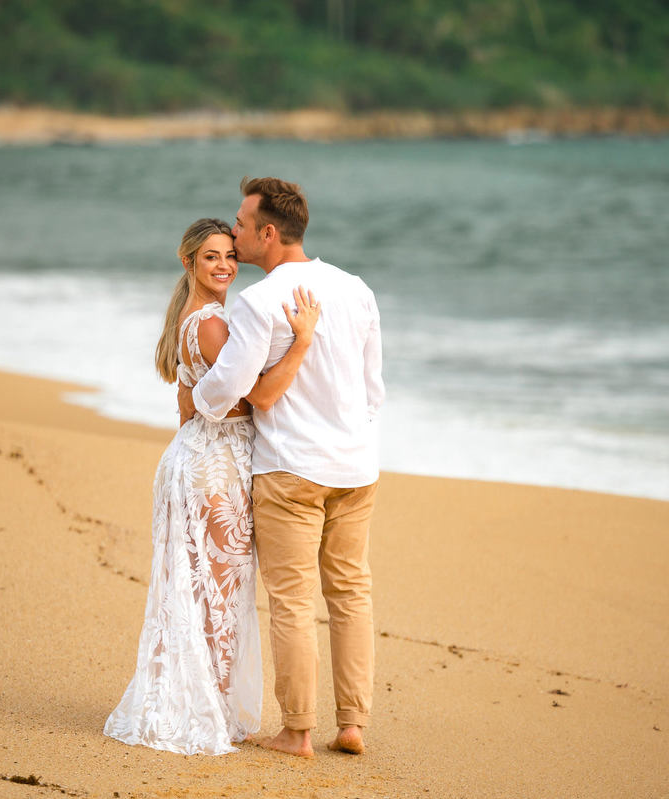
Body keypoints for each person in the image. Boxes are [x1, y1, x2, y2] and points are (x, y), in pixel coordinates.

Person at [182, 177, 384, 758]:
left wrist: (206, 395)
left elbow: (221, 394)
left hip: (290, 468)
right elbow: (374, 392)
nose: (236, 232)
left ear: (268, 233)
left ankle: (297, 731)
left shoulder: (260, 300)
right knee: (350, 592)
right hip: (355, 467)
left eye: (242, 225)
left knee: (292, 599)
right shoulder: (356, 289)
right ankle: (352, 724)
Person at [104, 218, 320, 756]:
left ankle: (197, 703)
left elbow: (191, 404)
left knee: (201, 594)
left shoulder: (193, 316)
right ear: (189, 263)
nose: (224, 265)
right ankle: (208, 713)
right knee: (219, 598)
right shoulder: (213, 323)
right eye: (210, 258)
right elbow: (250, 400)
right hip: (214, 471)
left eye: (229, 255)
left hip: (197, 460)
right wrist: (301, 345)